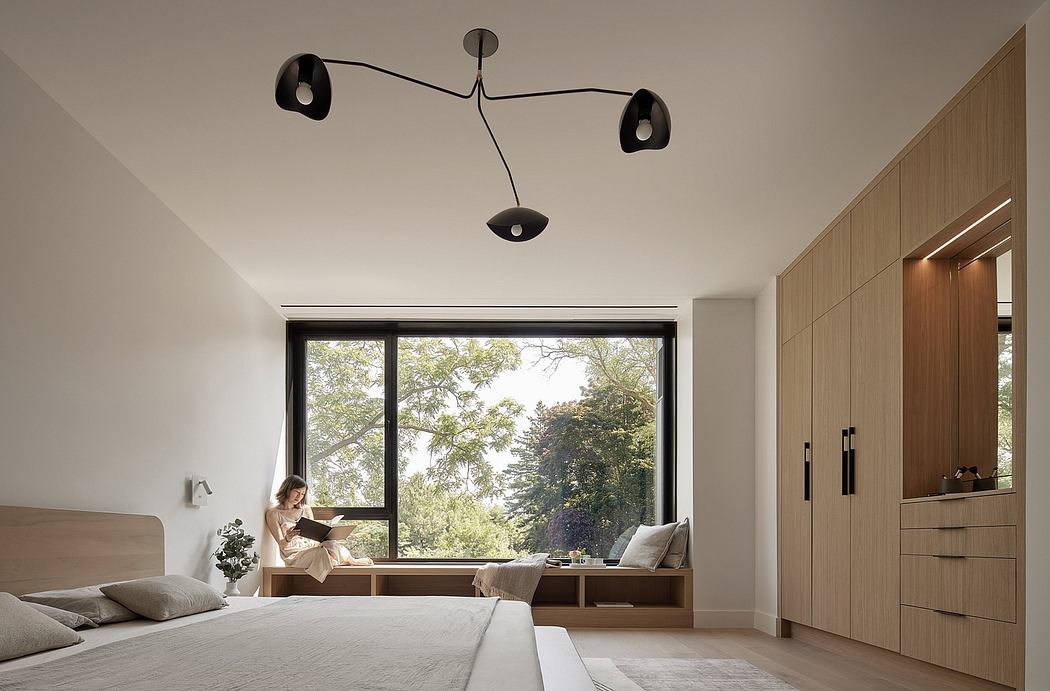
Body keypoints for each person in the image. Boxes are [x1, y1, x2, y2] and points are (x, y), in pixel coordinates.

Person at [264, 475, 372, 583]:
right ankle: (340, 561)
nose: (299, 496)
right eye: (297, 492)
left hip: (312, 547)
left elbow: (314, 534)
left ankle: (348, 560)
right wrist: (288, 537)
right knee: (321, 553)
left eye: (302, 494)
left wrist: (326, 533)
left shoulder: (306, 509)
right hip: (294, 555)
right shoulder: (273, 514)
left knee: (331, 544)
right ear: (287, 489)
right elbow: (282, 545)